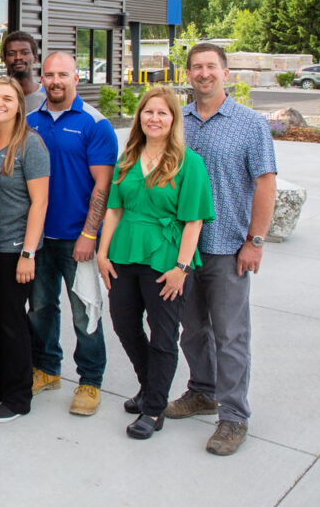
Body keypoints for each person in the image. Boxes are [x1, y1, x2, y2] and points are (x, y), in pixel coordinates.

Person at [166, 43, 276, 456]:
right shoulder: (178, 121)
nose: (203, 73)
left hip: (229, 247)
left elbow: (265, 183)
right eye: (196, 67)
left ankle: (233, 416)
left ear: (225, 73)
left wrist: (255, 241)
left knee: (231, 335)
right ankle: (203, 390)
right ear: (188, 74)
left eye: (211, 66)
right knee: (193, 330)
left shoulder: (250, 124)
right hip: (183, 251)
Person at [96, 86, 214, 440]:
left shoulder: (189, 163)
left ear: (173, 119)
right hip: (124, 252)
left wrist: (182, 268)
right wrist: (102, 253)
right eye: (149, 112)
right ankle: (150, 386)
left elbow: (193, 222)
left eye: (163, 112)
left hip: (165, 258)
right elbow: (114, 209)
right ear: (140, 117)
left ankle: (153, 408)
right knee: (124, 324)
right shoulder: (128, 158)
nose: (154, 118)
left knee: (163, 334)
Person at [25, 51, 118, 416]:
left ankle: (90, 380)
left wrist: (89, 235)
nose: (55, 81)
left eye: (63, 74)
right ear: (42, 78)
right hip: (37, 238)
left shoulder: (95, 124)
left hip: (76, 238)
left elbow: (103, 185)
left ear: (76, 78)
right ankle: (47, 368)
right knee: (40, 309)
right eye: (49, 75)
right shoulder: (30, 121)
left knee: (85, 310)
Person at [0, 77, 49, 423]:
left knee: (12, 321)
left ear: (19, 105)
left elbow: (40, 203)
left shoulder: (31, 145)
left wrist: (28, 253)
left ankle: (18, 396)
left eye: (7, 98)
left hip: (15, 248)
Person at [2, 31, 46, 114]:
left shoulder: (48, 97)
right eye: (11, 54)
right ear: (5, 60)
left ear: (35, 58)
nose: (18, 57)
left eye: (25, 53)